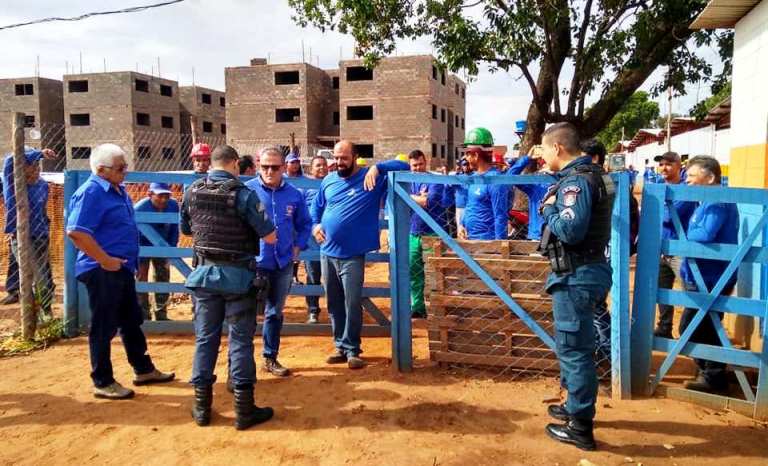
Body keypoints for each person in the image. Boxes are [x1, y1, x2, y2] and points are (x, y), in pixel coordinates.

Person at [66, 143, 175, 400]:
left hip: (122, 268)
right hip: (102, 269)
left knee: (131, 320)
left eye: (125, 166)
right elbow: (77, 232)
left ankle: (143, 369)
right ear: (101, 169)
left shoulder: (119, 190)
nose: (125, 171)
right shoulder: (91, 192)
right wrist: (104, 260)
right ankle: (102, 381)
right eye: (120, 168)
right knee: (104, 326)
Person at [181, 144, 277, 430]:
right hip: (238, 278)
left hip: (205, 276)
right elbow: (269, 236)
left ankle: (201, 409)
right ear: (235, 163)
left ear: (212, 163)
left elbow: (187, 230)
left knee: (205, 340)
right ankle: (244, 412)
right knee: (240, 342)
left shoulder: (192, 191)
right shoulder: (243, 194)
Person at [538, 123, 615, 451]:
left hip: (577, 275)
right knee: (575, 347)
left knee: (575, 350)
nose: (541, 156)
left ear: (557, 148)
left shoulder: (577, 182)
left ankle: (581, 426)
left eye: (543, 149)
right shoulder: (592, 175)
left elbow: (570, 231)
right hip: (587, 270)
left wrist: (548, 208)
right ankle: (573, 408)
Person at [310, 140, 408, 369]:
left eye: (344, 158)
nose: (338, 162)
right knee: (334, 304)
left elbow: (404, 168)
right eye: (336, 157)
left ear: (354, 157)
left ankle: (353, 349)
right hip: (327, 252)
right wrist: (315, 226)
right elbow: (316, 207)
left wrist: (379, 167)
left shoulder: (370, 179)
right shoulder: (328, 180)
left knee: (352, 303)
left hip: (353, 255)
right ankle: (339, 346)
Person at [245, 148, 312, 376]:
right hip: (254, 264)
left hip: (282, 263)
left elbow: (305, 223)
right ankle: (242, 365)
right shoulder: (247, 192)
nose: (270, 171)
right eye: (265, 167)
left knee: (275, 312)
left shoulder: (295, 194)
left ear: (284, 167)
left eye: (275, 167)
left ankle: (270, 357)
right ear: (258, 166)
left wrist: (298, 246)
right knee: (246, 314)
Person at [679, 156, 738, 394]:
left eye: (692, 176)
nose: (688, 181)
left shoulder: (717, 201)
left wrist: (685, 233)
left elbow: (704, 234)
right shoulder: (705, 201)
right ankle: (712, 371)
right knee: (705, 324)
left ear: (710, 177)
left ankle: (713, 376)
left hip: (712, 277)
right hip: (702, 275)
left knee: (694, 326)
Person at [2, 147, 57, 318]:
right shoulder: (13, 183)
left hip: (40, 235)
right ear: (21, 168)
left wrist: (46, 229)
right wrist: (39, 153)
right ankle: (37, 314)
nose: (35, 169)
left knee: (44, 276)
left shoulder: (42, 185)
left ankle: (45, 311)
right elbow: (11, 160)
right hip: (21, 235)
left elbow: (41, 211)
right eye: (30, 165)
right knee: (33, 276)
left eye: (37, 165)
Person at [653, 151, 696, 338]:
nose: (664, 167)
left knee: (691, 291)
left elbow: (669, 216)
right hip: (660, 248)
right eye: (661, 164)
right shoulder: (658, 188)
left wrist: (655, 209)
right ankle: (664, 328)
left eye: (669, 164)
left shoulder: (686, 191)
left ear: (680, 167)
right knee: (661, 292)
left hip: (680, 250)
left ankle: (691, 333)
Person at [408, 149, 451, 318]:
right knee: (414, 272)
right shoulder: (408, 181)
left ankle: (437, 307)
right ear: (410, 166)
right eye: (414, 165)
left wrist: (409, 197)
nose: (417, 168)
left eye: (420, 164)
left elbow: (429, 201)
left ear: (425, 162)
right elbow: (399, 197)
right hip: (413, 232)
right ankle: (418, 308)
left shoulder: (435, 180)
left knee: (435, 272)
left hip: (433, 232)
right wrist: (416, 196)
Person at [133, 183, 179, 321]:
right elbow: (132, 232)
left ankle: (161, 313)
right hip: (142, 245)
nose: (164, 199)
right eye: (160, 196)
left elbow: (174, 229)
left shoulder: (173, 205)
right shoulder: (140, 208)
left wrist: (171, 249)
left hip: (163, 245)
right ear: (150, 195)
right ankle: (143, 314)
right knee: (141, 278)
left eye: (167, 196)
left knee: (163, 276)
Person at [458, 127, 510, 240]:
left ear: (476, 155)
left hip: (487, 243)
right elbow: (470, 204)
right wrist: (462, 224)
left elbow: (500, 216)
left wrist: (499, 247)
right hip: (470, 240)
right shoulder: (474, 178)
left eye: (467, 154)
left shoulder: (495, 180)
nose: (465, 158)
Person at [302, 155, 329, 324]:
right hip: (312, 239)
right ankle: (313, 310)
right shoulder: (304, 187)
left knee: (334, 275)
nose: (322, 168)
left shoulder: (332, 183)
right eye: (318, 165)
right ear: (311, 169)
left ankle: (338, 310)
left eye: (324, 165)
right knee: (313, 274)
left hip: (332, 237)